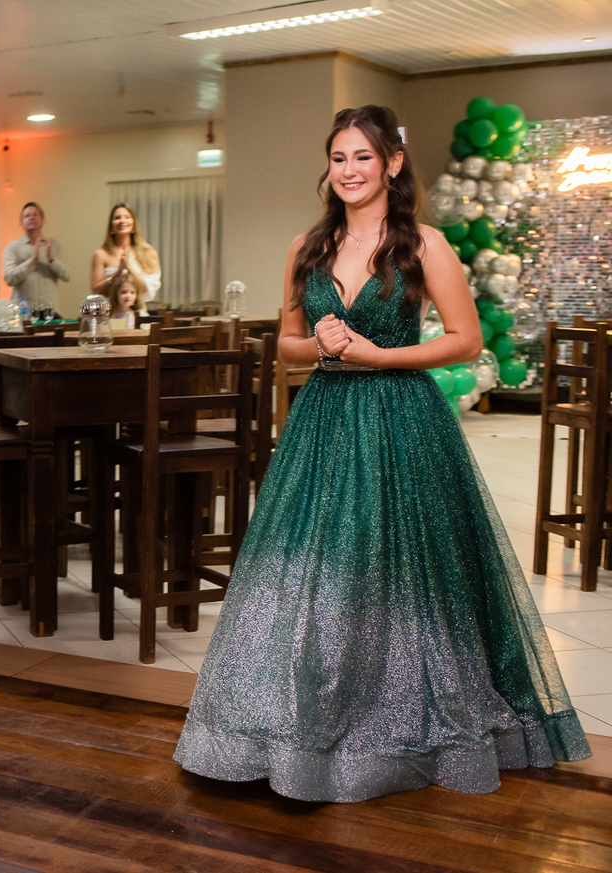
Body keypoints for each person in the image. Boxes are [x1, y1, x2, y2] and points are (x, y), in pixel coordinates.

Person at [174, 105, 591, 803]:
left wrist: (379, 355)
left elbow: (465, 340)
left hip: (402, 420)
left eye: (363, 157)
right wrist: (319, 345)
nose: (349, 171)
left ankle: (395, 725)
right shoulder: (305, 247)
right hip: (323, 421)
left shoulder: (423, 245)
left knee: (397, 569)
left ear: (392, 164)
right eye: (338, 158)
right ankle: (301, 729)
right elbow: (285, 344)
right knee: (314, 573)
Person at [2, 201, 69, 318]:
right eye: (27, 215)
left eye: (35, 215)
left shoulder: (53, 246)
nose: (31, 218)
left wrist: (52, 260)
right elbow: (9, 279)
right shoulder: (13, 247)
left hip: (51, 313)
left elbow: (67, 276)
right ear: (21, 223)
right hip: (24, 315)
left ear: (43, 221)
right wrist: (31, 262)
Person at [89, 203, 160, 312]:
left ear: (133, 225)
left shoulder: (148, 252)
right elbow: (96, 290)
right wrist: (118, 272)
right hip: (109, 313)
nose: (122, 221)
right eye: (117, 218)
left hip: (137, 314)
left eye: (127, 217)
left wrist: (129, 268)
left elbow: (146, 289)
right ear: (111, 226)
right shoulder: (101, 254)